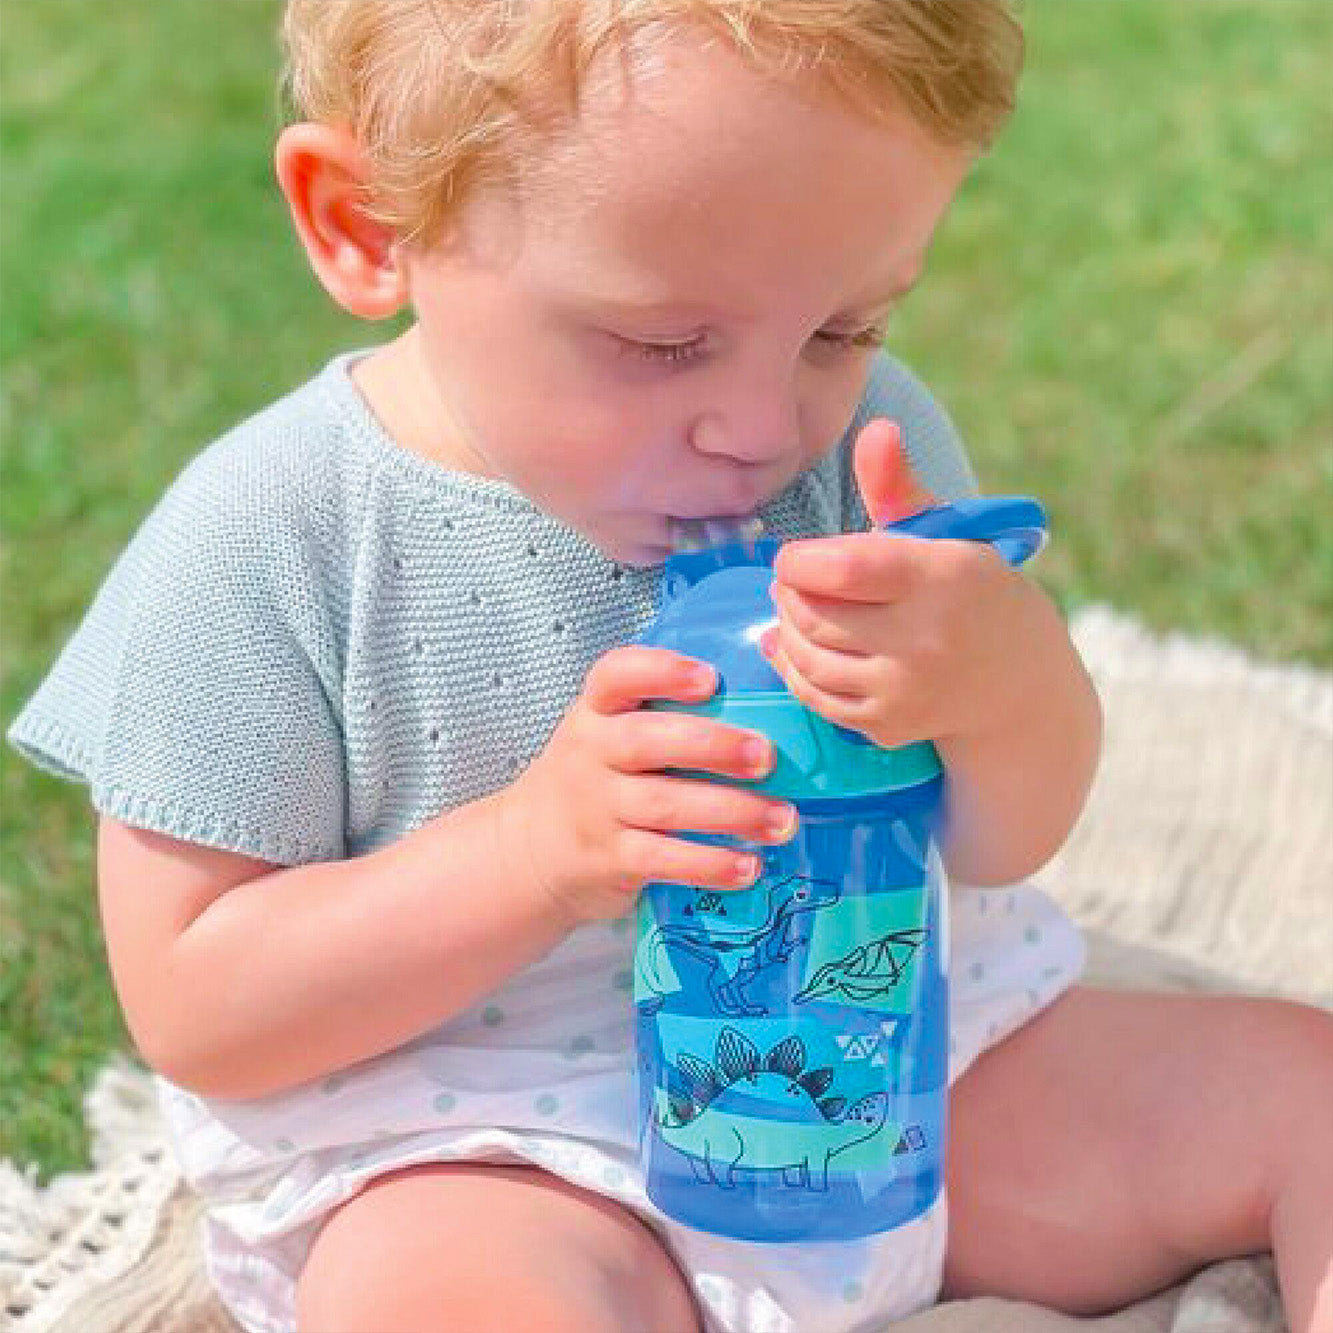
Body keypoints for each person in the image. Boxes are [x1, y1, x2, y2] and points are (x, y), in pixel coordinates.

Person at [10, 3, 1331, 1331]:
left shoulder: (861, 447)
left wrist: (1000, 682)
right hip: (485, 1136)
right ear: (367, 223)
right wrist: (531, 855)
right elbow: (201, 1005)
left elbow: (999, 843)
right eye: (659, 342)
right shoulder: (275, 536)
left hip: (890, 1072)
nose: (762, 428)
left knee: (1306, 1091)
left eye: (844, 326)